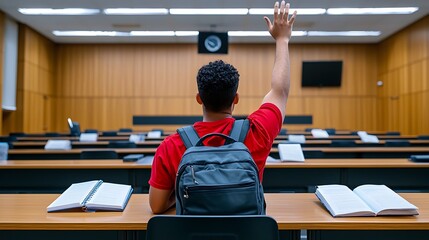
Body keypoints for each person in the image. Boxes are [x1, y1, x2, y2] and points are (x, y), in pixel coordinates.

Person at [149, 1, 297, 214]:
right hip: (247, 233)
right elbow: (280, 91)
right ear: (235, 99)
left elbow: (157, 206)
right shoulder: (258, 131)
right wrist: (282, 39)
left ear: (199, 98)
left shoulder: (171, 145)